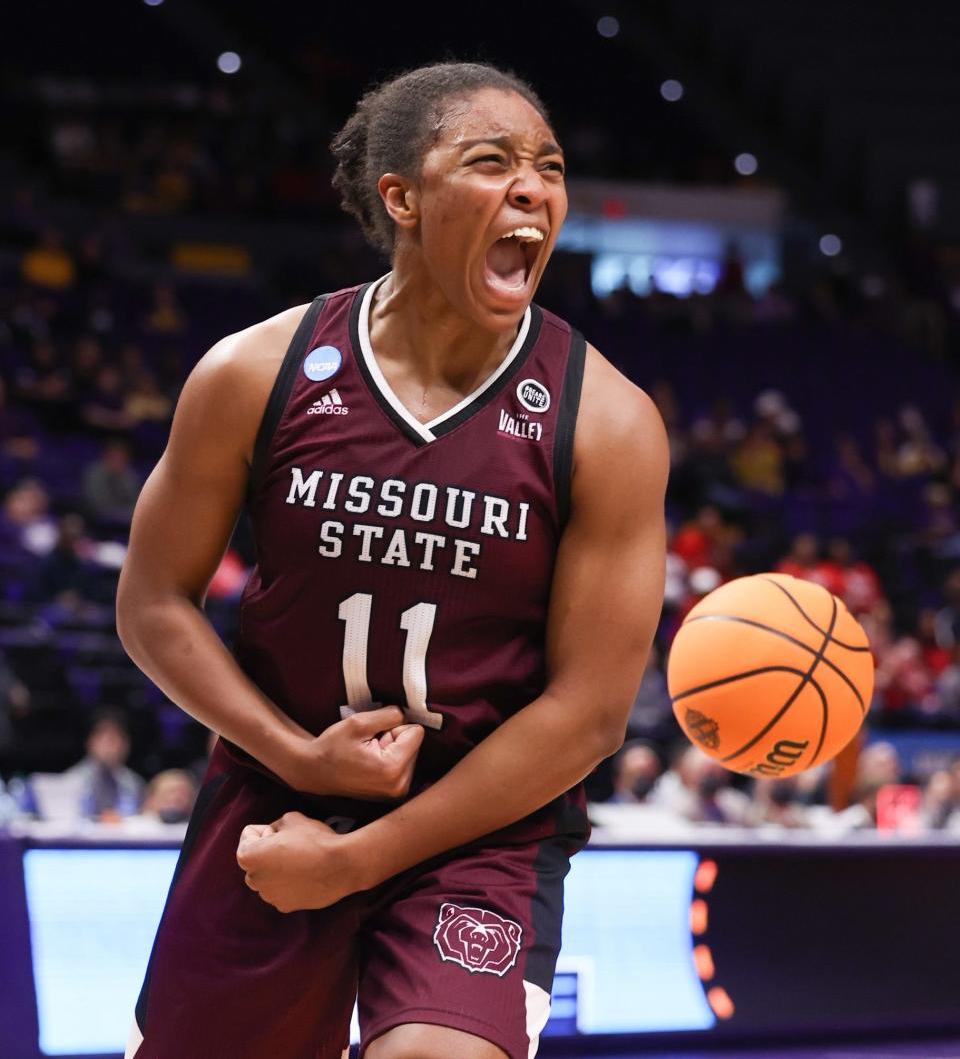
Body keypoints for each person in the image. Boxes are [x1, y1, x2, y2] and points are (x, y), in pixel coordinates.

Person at [116, 61, 669, 1059]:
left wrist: (363, 857)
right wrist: (295, 757)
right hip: (274, 803)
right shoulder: (257, 371)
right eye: (492, 161)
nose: (533, 188)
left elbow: (588, 715)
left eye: (547, 166)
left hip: (480, 827)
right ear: (403, 198)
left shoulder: (608, 421)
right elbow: (153, 603)